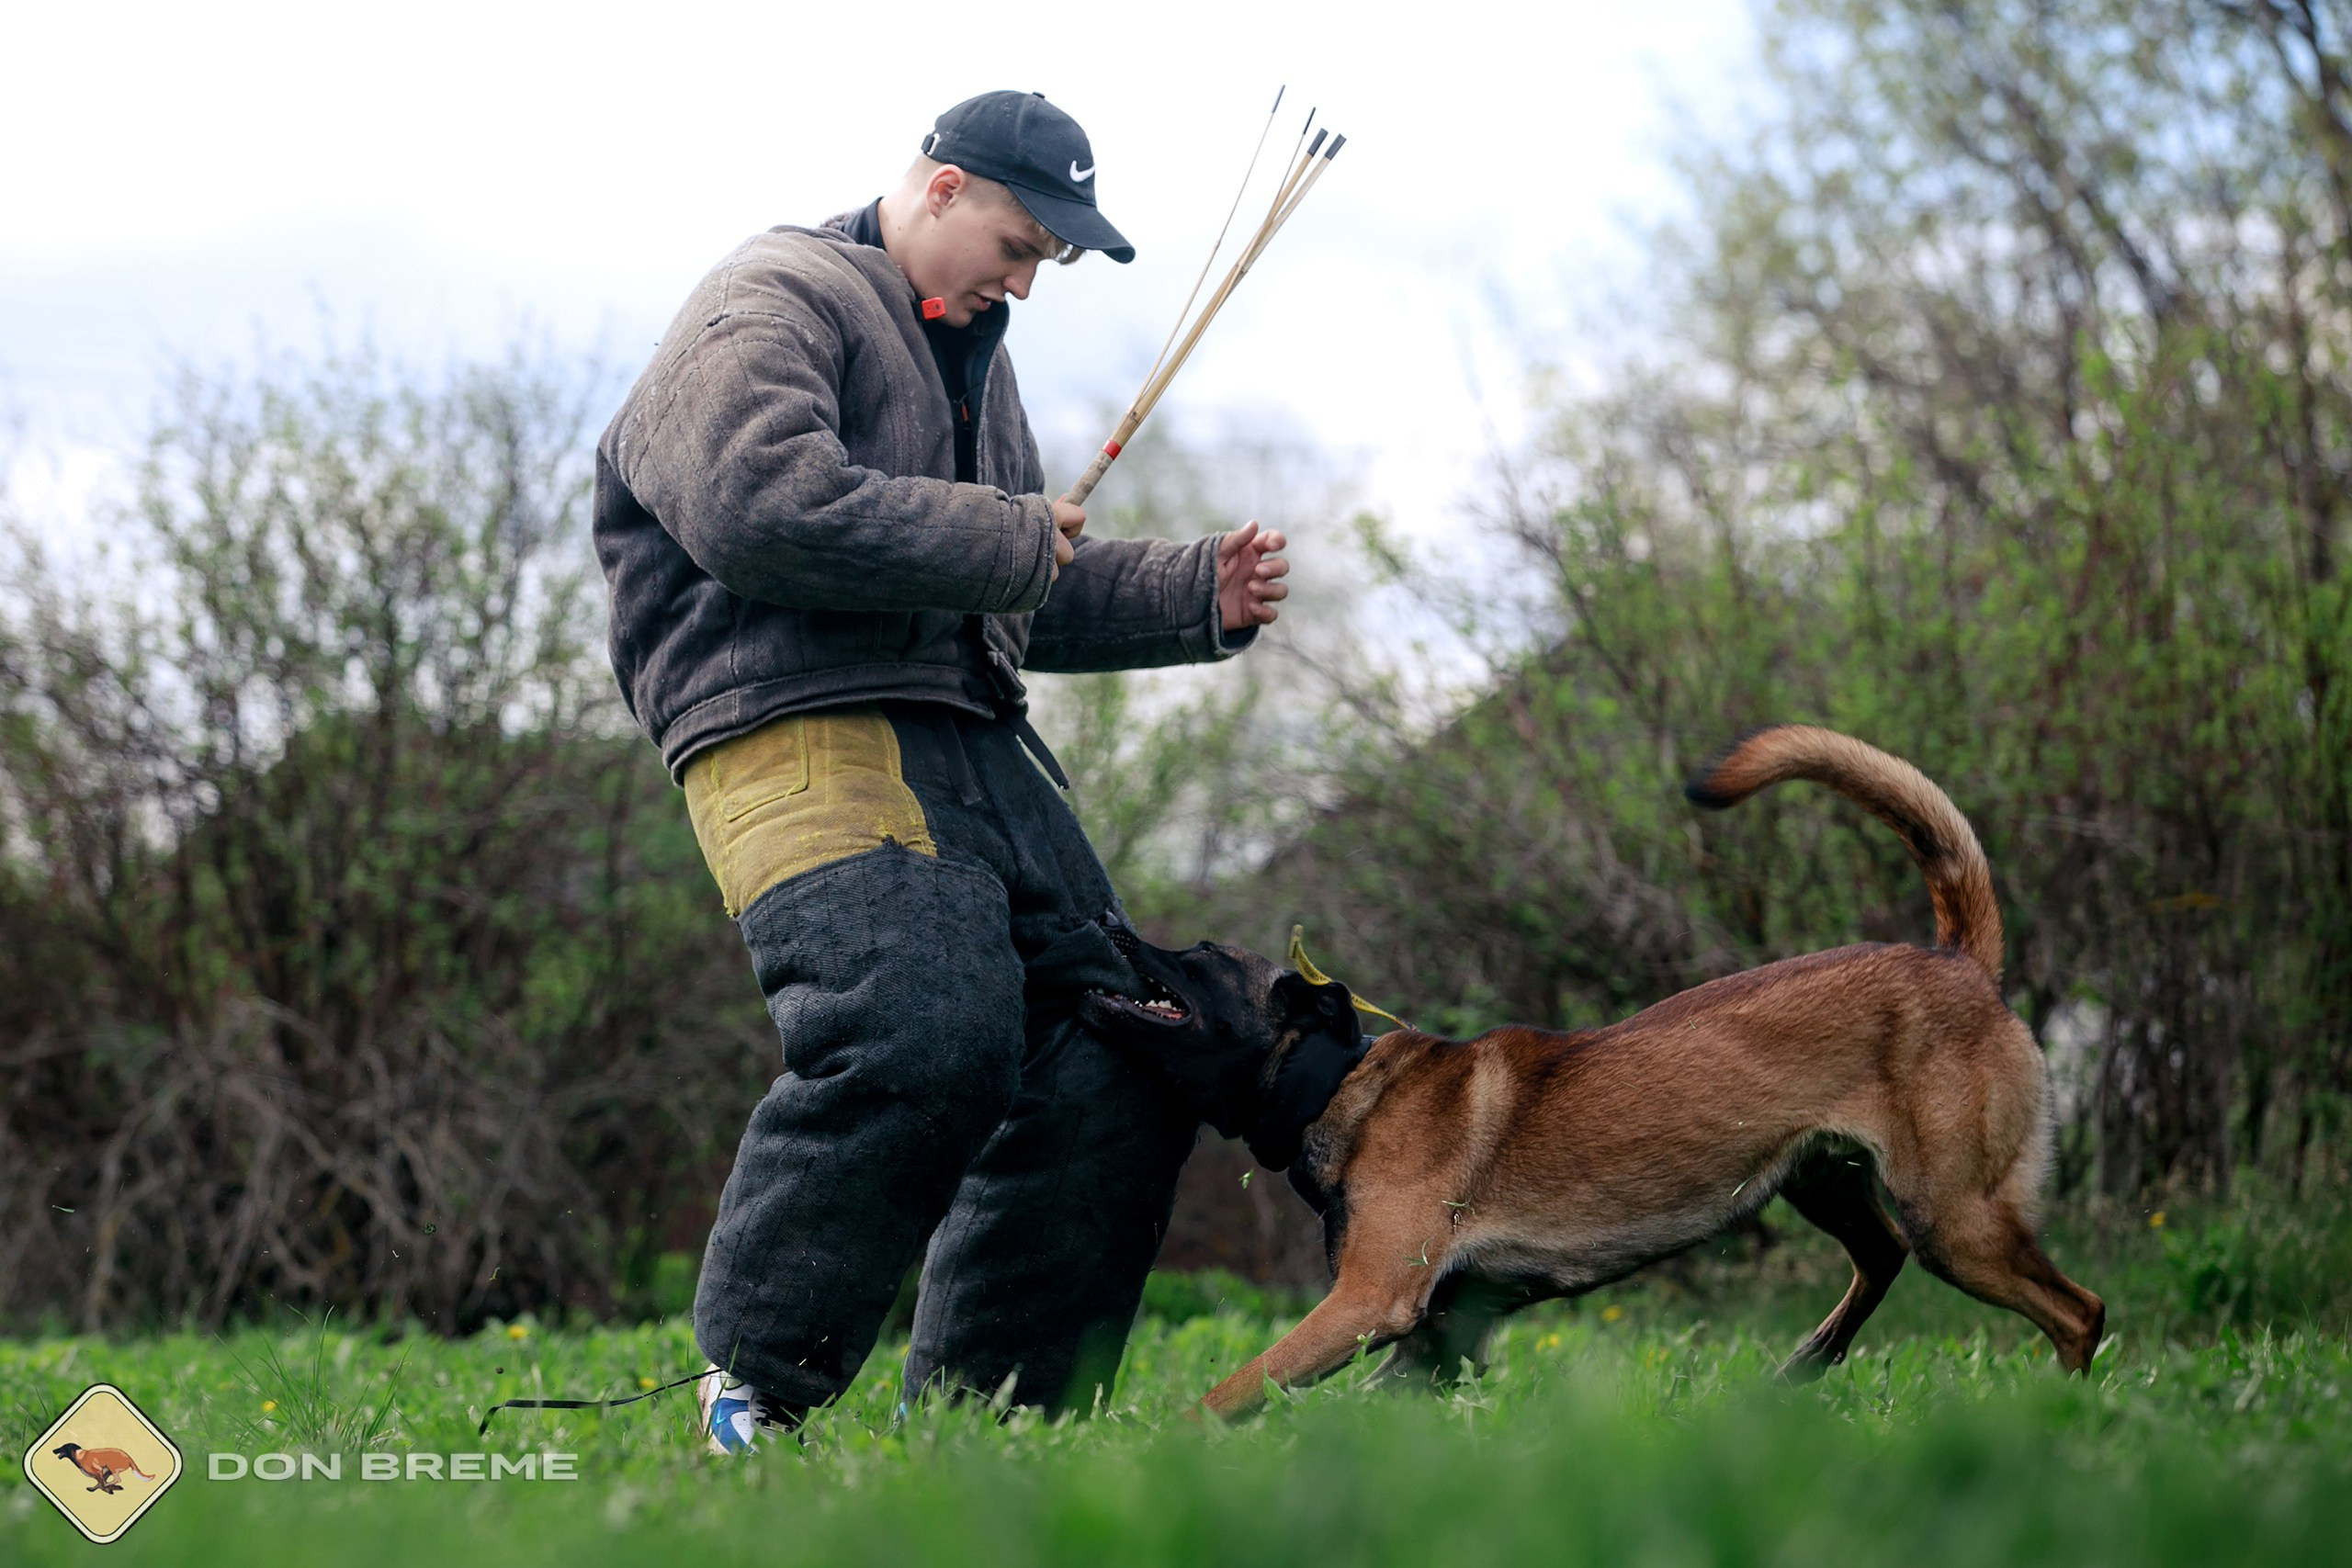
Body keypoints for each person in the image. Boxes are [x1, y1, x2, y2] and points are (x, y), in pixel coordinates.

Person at [591, 89, 1289, 1453]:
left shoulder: (979, 353)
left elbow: (999, 585)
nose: (1027, 282)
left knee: (1129, 1056)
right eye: (1022, 244)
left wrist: (1192, 593)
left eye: (1049, 264)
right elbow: (758, 505)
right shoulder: (775, 294)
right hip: (793, 725)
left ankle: (994, 1442)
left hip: (972, 742)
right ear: (945, 186)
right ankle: (750, 1398)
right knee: (919, 1033)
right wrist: (1011, 537)